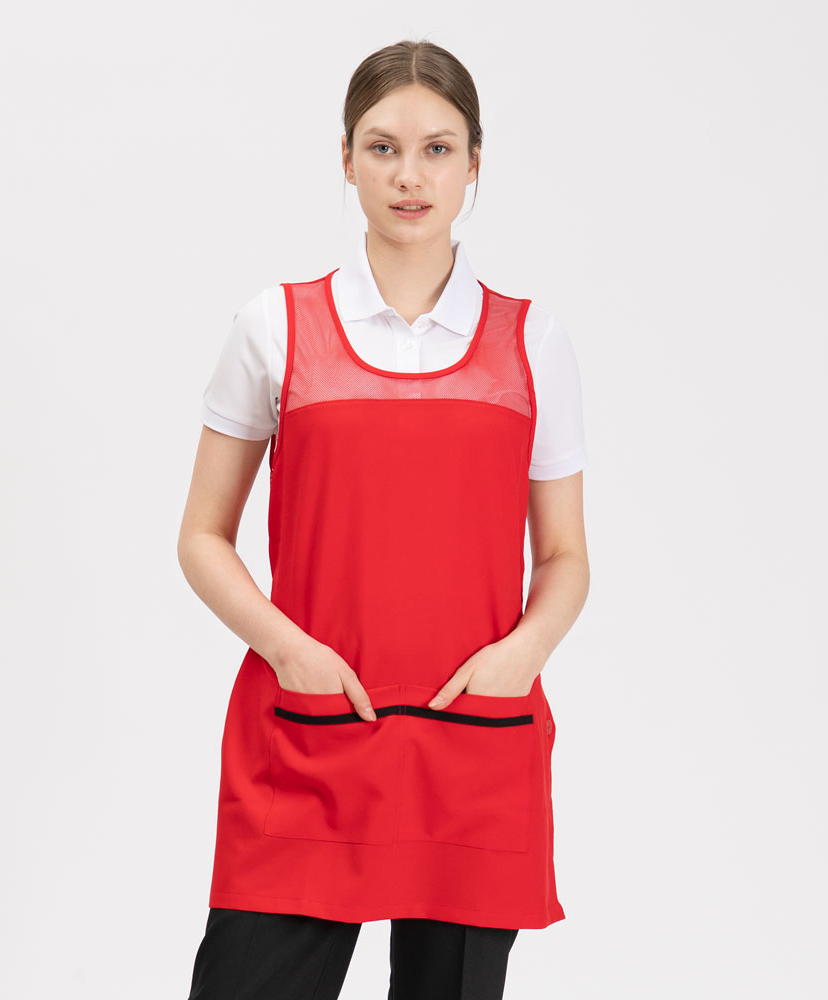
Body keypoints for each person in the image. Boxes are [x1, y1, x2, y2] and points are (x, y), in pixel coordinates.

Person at [177, 38, 590, 1000]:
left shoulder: (533, 340)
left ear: (475, 162)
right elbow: (202, 536)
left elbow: (565, 553)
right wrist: (290, 652)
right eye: (383, 147)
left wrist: (522, 656)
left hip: (472, 743)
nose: (410, 176)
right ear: (346, 157)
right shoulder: (274, 327)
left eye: (438, 149)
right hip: (308, 736)